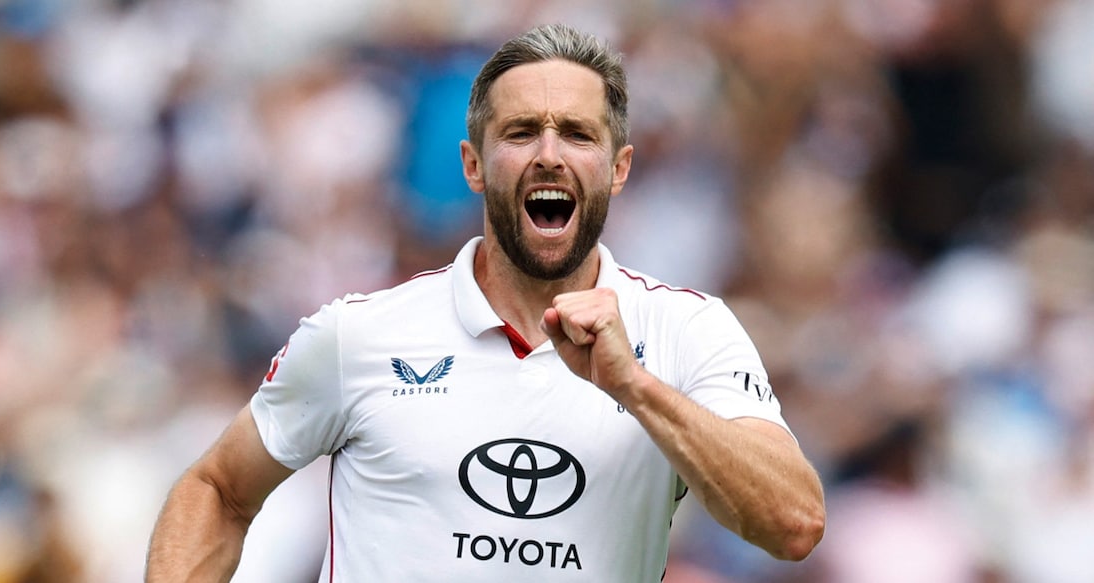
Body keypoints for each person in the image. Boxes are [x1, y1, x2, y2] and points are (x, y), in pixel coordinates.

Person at [146, 23, 825, 582]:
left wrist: (634, 387)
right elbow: (218, 489)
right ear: (473, 164)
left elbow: (792, 523)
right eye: (522, 132)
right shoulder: (358, 333)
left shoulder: (686, 331)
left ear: (618, 169)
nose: (550, 156)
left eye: (579, 135)